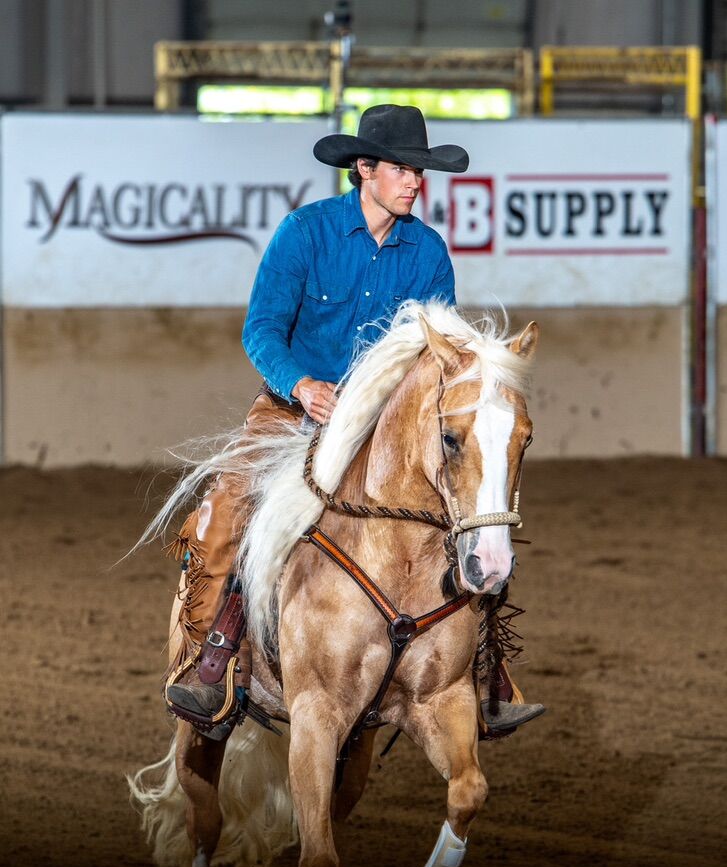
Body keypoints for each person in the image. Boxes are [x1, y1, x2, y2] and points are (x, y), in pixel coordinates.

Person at [166, 105, 542, 736]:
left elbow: (437, 353)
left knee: (474, 509)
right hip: (290, 412)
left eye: (419, 171)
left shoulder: (427, 251)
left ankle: (485, 669)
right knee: (231, 506)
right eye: (402, 169)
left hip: (380, 429)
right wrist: (301, 384)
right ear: (364, 169)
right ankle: (212, 658)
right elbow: (261, 329)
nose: (415, 182)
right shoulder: (305, 232)